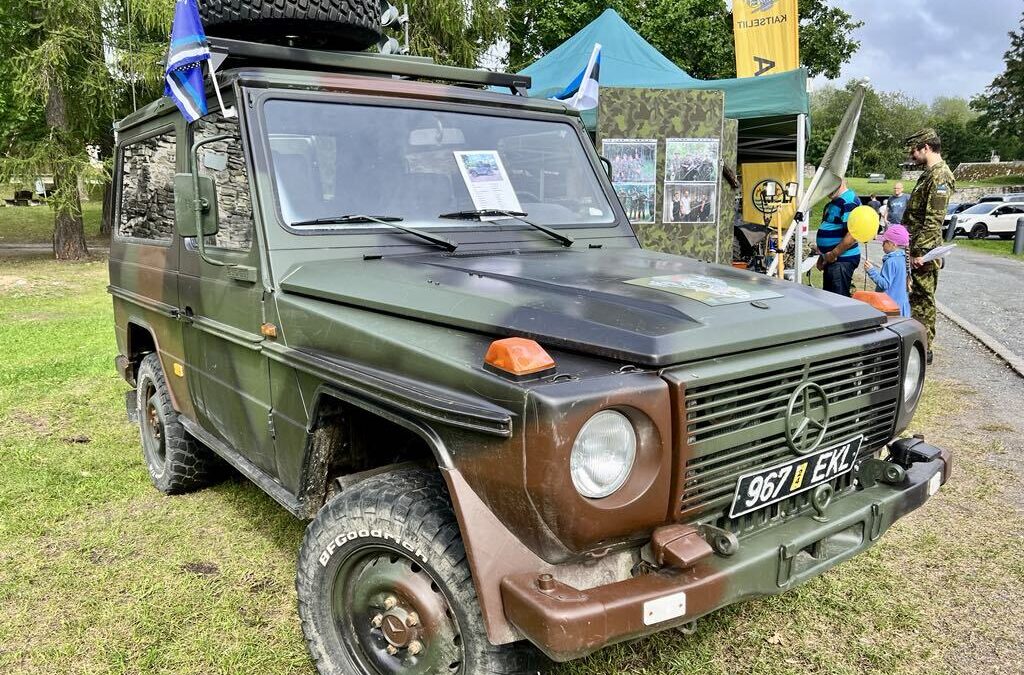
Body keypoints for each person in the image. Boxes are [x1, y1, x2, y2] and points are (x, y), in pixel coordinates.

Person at [902, 128, 955, 364]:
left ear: (926, 147)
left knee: (923, 299)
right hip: (915, 248)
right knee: (916, 298)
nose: (912, 155)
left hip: (923, 252)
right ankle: (917, 344)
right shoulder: (929, 173)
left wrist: (919, 252)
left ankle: (925, 347)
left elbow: (934, 220)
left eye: (914, 150)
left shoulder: (940, 176)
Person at [816, 178, 862, 297]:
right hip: (832, 259)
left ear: (840, 181)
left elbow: (852, 235)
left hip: (842, 260)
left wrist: (833, 254)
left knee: (838, 301)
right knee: (829, 299)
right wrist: (822, 256)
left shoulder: (849, 201)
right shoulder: (835, 201)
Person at [864, 224, 911, 317]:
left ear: (893, 244)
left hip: (889, 306)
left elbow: (885, 284)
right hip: (902, 306)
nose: (882, 244)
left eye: (885, 241)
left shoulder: (891, 261)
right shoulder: (905, 258)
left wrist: (871, 271)